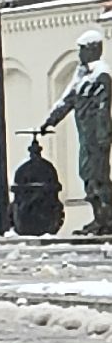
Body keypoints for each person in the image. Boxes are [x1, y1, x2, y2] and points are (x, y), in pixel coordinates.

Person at [42, 29, 112, 234]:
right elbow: (67, 100)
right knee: (87, 175)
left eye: (82, 49)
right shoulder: (81, 76)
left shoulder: (101, 75)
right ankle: (99, 217)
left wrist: (103, 137)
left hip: (97, 137)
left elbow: (103, 108)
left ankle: (106, 219)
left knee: (98, 177)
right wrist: (50, 121)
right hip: (86, 136)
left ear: (93, 50)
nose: (80, 54)